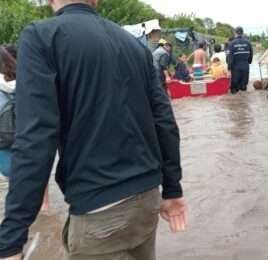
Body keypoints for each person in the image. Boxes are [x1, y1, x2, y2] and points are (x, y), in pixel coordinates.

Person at [0, 1, 187, 260]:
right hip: (147, 197)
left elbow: (35, 137)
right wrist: (173, 189)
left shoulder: (41, 37)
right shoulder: (134, 45)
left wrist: (11, 238)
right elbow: (164, 121)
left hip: (99, 207)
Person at [0, 45, 50, 213]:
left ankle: (18, 209)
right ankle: (45, 206)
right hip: (30, 134)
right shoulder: (29, 78)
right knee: (38, 172)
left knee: (13, 177)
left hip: (5, 139)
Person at [228, 26, 253, 94]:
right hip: (245, 66)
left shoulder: (232, 43)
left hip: (236, 68)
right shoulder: (248, 43)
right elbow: (251, 55)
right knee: (243, 87)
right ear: (242, 33)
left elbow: (230, 57)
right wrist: (249, 62)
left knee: (234, 90)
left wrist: (229, 69)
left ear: (235, 33)